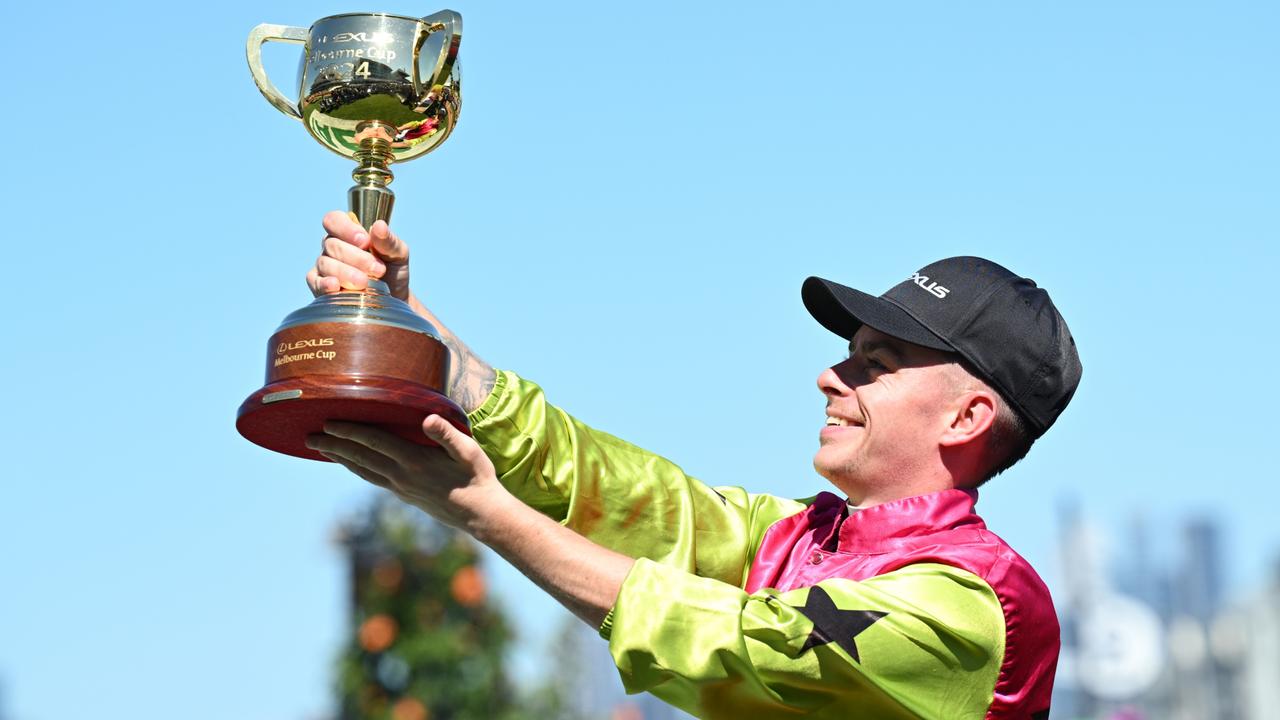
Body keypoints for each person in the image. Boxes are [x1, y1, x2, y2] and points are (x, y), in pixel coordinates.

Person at [304, 212, 1081, 720]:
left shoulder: (975, 606)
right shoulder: (793, 538)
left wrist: (487, 515)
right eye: (847, 355)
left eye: (877, 364)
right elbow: (608, 486)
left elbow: (739, 638)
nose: (831, 376)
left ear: (966, 416)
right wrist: (419, 345)